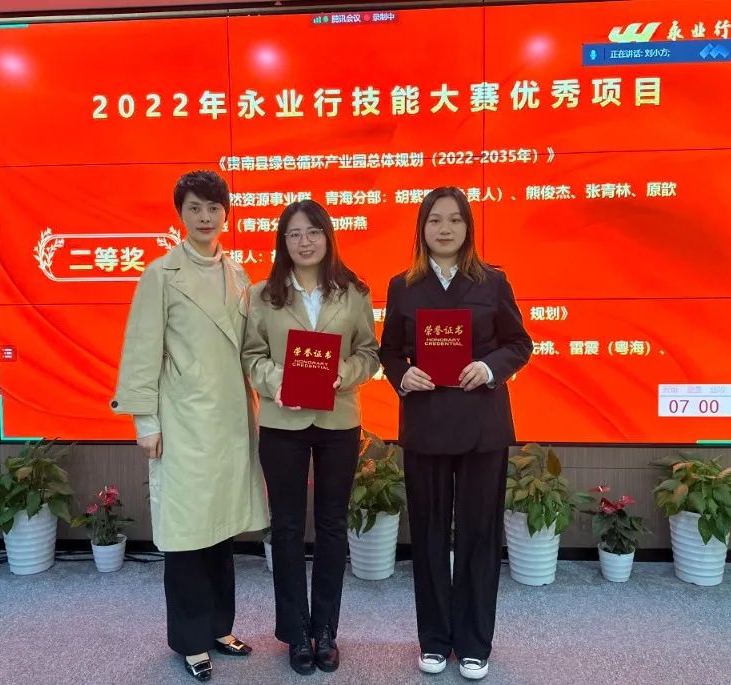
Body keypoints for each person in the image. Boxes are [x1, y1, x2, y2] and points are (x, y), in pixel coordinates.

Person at [110, 170, 268, 682]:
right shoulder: (160, 274)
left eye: (214, 208)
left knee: (220, 531)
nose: (205, 217)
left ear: (226, 214)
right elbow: (141, 351)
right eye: (195, 208)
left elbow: (252, 348)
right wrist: (145, 421)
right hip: (182, 423)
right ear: (180, 213)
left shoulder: (238, 273)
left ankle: (220, 627)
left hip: (230, 421)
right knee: (186, 536)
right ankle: (190, 640)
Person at [378, 187, 533, 681]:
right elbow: (389, 351)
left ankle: (473, 643)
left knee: (479, 536)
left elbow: (519, 343)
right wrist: (402, 373)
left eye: (454, 220)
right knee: (427, 536)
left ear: (468, 227)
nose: (444, 229)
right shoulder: (403, 286)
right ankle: (434, 639)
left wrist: (489, 368)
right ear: (421, 229)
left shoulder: (492, 281)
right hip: (425, 425)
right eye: (434, 220)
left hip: (482, 427)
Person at [241, 199, 379, 675]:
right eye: (294, 234)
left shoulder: (354, 292)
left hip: (339, 421)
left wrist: (345, 372)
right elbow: (251, 356)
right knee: (286, 527)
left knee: (333, 526)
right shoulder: (263, 295)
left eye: (313, 232)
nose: (304, 242)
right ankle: (296, 632)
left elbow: (369, 353)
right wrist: (277, 381)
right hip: (283, 422)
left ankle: (326, 629)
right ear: (283, 241)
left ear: (328, 236)